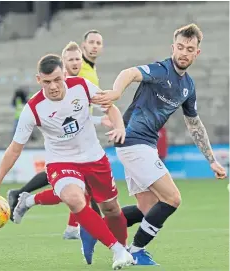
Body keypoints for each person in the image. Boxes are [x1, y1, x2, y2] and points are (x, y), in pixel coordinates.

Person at [91, 23, 227, 265]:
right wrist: (115, 92)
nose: (184, 52)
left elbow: (194, 125)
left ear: (197, 53)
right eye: (181, 47)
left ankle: (95, 230)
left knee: (148, 209)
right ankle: (134, 251)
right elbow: (129, 73)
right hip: (133, 140)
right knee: (172, 199)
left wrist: (212, 160)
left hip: (143, 145)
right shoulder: (161, 69)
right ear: (173, 47)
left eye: (190, 49)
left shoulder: (189, 86)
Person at [0, 54, 133, 270]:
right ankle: (117, 250)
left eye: (57, 79)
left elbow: (110, 107)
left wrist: (119, 126)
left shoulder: (82, 86)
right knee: (75, 199)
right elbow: (14, 149)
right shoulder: (33, 108)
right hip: (61, 161)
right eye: (47, 82)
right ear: (39, 80)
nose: (53, 86)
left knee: (111, 209)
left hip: (94, 157)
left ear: (64, 74)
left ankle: (29, 201)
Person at [7, 33, 106, 240]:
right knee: (77, 187)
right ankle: (86, 227)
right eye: (70, 60)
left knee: (81, 188)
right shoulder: (74, 80)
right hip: (66, 145)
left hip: (80, 139)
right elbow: (69, 115)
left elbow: (84, 112)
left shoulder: (88, 76)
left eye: (77, 59)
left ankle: (75, 227)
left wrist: (107, 120)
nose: (75, 62)